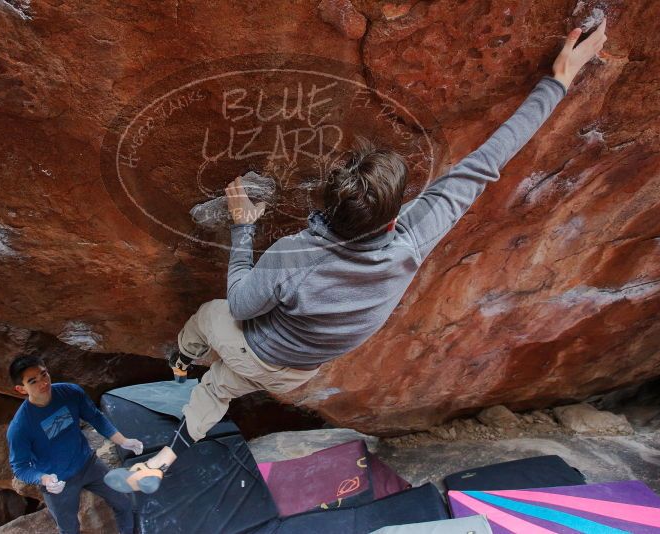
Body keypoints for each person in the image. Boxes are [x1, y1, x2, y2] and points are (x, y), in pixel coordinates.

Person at [106, 21, 609, 494]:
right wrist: (557, 81)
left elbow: (240, 306)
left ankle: (181, 361)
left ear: (326, 201)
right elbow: (487, 162)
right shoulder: (412, 238)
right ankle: (162, 460)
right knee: (221, 388)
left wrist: (243, 229)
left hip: (255, 349)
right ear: (393, 217)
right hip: (298, 370)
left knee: (209, 320)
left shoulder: (295, 254)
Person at [6, 355, 143, 534]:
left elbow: (95, 417)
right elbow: (20, 467)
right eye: (33, 381)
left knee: (124, 503)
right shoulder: (20, 427)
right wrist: (44, 479)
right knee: (69, 529)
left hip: (88, 464)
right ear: (21, 389)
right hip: (58, 480)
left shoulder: (69, 393)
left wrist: (123, 441)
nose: (43, 383)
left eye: (44, 374)